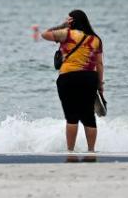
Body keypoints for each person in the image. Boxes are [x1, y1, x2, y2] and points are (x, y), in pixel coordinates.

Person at [42, 9, 104, 152]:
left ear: (72, 21)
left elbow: (44, 34)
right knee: (89, 116)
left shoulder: (66, 34)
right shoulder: (95, 39)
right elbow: (99, 64)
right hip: (89, 78)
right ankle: (91, 150)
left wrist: (62, 25)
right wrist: (100, 85)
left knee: (71, 116)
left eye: (68, 19)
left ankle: (70, 150)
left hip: (67, 77)